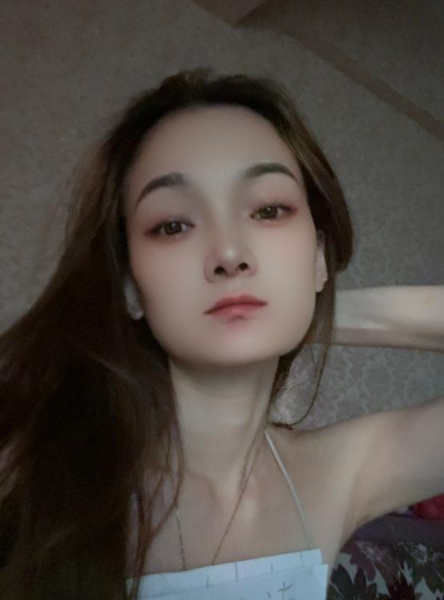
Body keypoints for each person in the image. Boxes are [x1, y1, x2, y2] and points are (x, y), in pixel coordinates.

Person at [0, 67, 442, 600]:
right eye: (173, 225)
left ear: (319, 257)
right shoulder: (29, 466)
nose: (229, 253)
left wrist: (315, 310)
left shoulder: (341, 471)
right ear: (131, 287)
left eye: (269, 210)